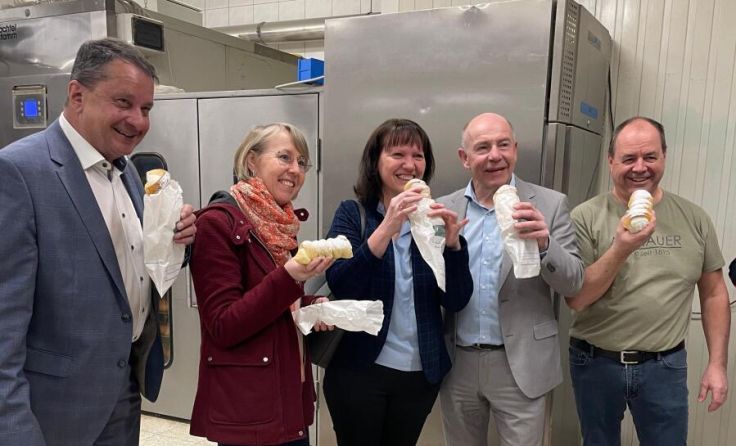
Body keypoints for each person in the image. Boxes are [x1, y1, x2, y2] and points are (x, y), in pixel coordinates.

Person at [0, 38, 197, 446]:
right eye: (123, 102)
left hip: (123, 392)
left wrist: (175, 243)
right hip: (54, 410)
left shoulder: (126, 173)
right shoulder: (19, 173)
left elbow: (123, 269)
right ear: (77, 95)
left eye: (146, 109)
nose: (138, 121)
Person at [567, 116, 731, 445]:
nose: (640, 167)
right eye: (629, 158)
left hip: (664, 366)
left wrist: (717, 364)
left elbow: (714, 293)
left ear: (664, 157)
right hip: (595, 362)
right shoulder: (584, 217)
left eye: (650, 157)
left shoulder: (694, 218)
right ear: (611, 160)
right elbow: (578, 298)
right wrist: (620, 249)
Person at [436, 112, 584, 446]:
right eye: (482, 147)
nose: (495, 155)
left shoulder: (550, 204)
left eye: (503, 145)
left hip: (522, 364)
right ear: (464, 158)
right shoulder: (445, 209)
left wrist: (545, 245)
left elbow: (574, 282)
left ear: (515, 149)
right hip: (457, 362)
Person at [323, 118, 473, 446]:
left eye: (418, 155)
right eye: (398, 154)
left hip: (419, 374)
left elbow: (457, 300)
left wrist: (453, 247)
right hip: (358, 370)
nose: (410, 164)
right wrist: (386, 228)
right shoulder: (353, 214)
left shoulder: (433, 220)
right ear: (375, 162)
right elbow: (342, 283)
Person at [188, 123, 334, 446]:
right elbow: (223, 325)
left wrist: (310, 306)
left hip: (289, 396)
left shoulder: (280, 225)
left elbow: (273, 305)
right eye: (284, 157)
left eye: (301, 162)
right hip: (249, 409)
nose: (295, 170)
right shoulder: (216, 223)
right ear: (251, 161)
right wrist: (290, 277)